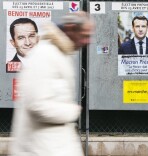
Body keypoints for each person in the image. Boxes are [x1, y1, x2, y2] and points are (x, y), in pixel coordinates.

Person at [10, 11, 95, 156]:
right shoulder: (45, 54)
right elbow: (37, 105)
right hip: (39, 149)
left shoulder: (60, 53)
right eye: (85, 35)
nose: (88, 41)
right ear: (71, 28)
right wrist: (71, 111)